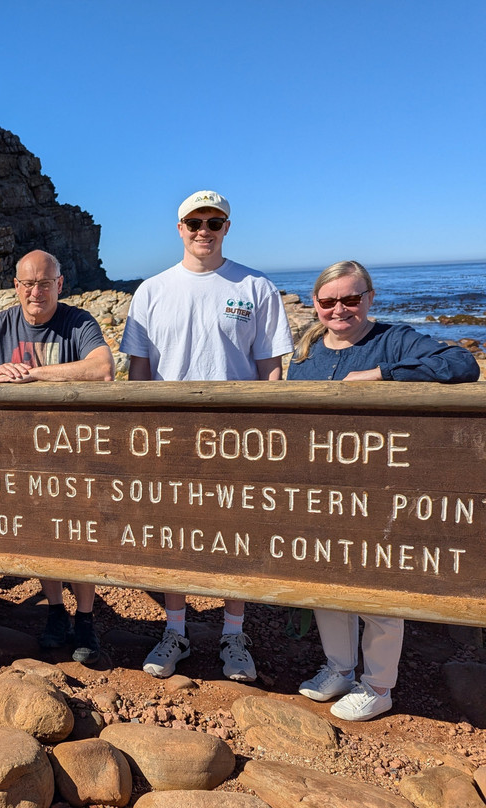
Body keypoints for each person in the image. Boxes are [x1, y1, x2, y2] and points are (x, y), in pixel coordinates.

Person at [289, 259, 479, 720]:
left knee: (379, 585)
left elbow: (462, 363)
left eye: (351, 299)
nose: (340, 309)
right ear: (315, 304)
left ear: (369, 298)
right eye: (329, 301)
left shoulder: (394, 339)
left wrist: (379, 376)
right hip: (323, 490)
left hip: (380, 493)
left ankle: (377, 685)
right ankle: (338, 667)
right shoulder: (304, 354)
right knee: (328, 581)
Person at [120, 190, 294, 681]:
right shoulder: (152, 290)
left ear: (226, 228)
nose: (203, 230)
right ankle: (175, 630)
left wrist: (266, 435)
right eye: (194, 222)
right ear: (179, 228)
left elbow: (271, 371)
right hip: (170, 438)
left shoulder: (255, 286)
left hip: (238, 437)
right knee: (172, 534)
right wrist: (142, 436)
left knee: (236, 536)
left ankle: (233, 634)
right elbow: (138, 372)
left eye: (213, 222)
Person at [0, 249, 114, 663]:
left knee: (79, 535)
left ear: (59, 285)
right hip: (24, 456)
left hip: (74, 453)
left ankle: (86, 622)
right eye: (27, 283)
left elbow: (102, 368)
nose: (35, 292)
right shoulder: (0, 323)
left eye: (43, 283)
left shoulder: (77, 322)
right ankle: (56, 614)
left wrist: (31, 374)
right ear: (16, 287)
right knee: (42, 533)